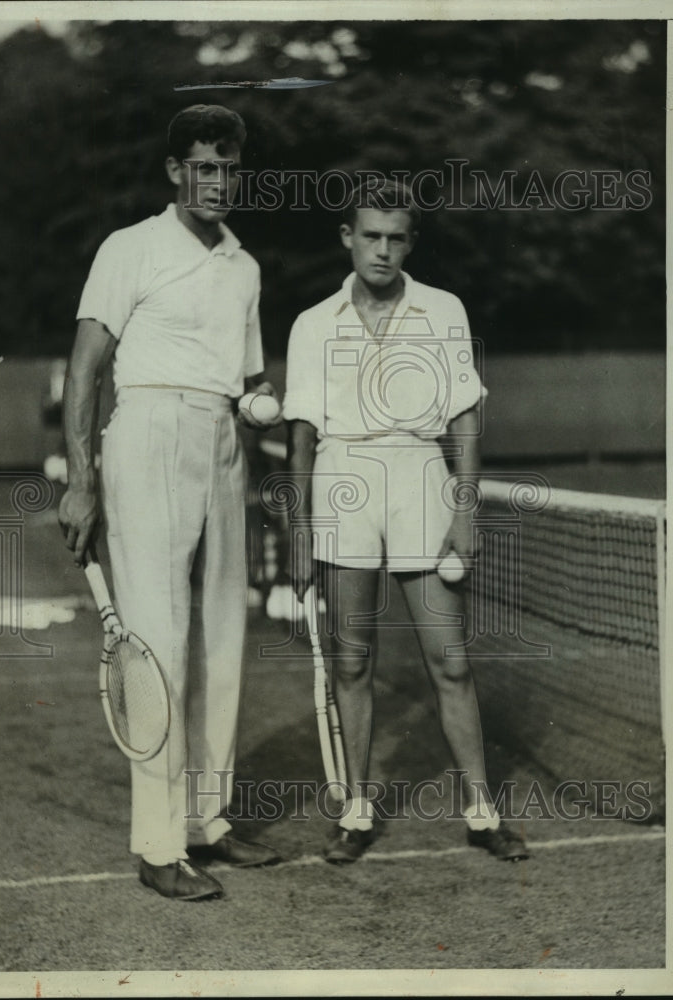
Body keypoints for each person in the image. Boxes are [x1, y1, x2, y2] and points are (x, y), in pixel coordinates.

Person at [58, 104, 282, 902]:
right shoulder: (130, 248)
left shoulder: (244, 267)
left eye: (229, 168)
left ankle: (206, 823)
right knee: (158, 640)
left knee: (225, 635)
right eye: (202, 167)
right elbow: (84, 370)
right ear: (175, 171)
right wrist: (83, 480)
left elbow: (250, 382)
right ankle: (157, 845)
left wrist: (260, 409)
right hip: (147, 432)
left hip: (223, 443)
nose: (217, 182)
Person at [283, 180, 529, 864]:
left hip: (422, 476)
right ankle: (357, 813)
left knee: (449, 661)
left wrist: (465, 508)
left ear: (410, 242)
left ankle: (482, 812)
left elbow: (465, 419)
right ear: (347, 237)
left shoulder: (443, 309)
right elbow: (300, 438)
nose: (383, 250)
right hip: (343, 482)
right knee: (353, 660)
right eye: (371, 235)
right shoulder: (312, 322)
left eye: (396, 237)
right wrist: (301, 535)